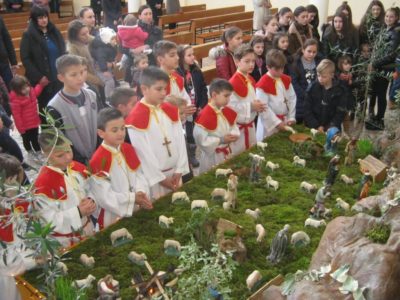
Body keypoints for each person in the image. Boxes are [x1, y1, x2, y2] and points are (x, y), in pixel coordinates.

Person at [126, 66, 189, 200]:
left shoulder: (170, 110)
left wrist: (180, 169)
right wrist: (161, 179)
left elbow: (180, 140)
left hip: (175, 174)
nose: (163, 93)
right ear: (144, 89)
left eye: (165, 88)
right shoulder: (135, 118)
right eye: (158, 89)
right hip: (155, 180)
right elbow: (143, 154)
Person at [89, 108, 152, 230]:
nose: (121, 133)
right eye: (115, 130)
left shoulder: (127, 148)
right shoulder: (98, 160)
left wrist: (140, 191)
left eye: (123, 128)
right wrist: (133, 198)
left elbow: (139, 174)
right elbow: (105, 197)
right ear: (101, 133)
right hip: (113, 215)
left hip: (136, 206)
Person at [34, 128, 97, 247]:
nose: (68, 157)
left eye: (69, 150)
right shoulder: (43, 184)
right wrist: (78, 212)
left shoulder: (77, 167)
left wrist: (91, 201)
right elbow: (49, 220)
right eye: (60, 155)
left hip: (88, 228)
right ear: (46, 155)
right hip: (66, 241)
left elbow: (90, 189)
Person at [47, 54, 98, 165]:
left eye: (81, 72)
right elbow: (61, 140)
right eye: (73, 75)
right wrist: (80, 161)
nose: (80, 78)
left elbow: (101, 123)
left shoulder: (92, 95)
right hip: (76, 161)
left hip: (98, 154)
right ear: (61, 78)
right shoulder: (54, 107)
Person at [20, 6, 65, 122]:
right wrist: (39, 77)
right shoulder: (28, 35)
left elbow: (63, 50)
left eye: (45, 17)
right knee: (46, 109)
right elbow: (26, 59)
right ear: (34, 19)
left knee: (60, 107)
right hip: (43, 80)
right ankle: (48, 135)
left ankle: (62, 132)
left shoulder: (54, 31)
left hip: (58, 77)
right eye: (40, 18)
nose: (44, 20)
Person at [194, 78, 239, 174]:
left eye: (229, 96)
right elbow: (201, 140)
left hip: (227, 151)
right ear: (214, 95)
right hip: (213, 156)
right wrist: (221, 140)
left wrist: (234, 135)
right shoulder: (205, 115)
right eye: (226, 96)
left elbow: (233, 126)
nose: (228, 99)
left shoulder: (226, 110)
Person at [367, 7, 400, 130]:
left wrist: (374, 64)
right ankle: (375, 118)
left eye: (391, 16)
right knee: (375, 92)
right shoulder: (386, 29)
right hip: (378, 67)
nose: (388, 18)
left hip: (385, 69)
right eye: (387, 16)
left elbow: (391, 54)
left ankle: (380, 120)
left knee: (381, 94)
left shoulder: (395, 33)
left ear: (396, 18)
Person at [229, 45, 266, 154]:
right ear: (237, 61)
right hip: (238, 130)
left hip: (250, 127)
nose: (251, 64)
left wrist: (257, 105)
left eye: (253, 61)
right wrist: (251, 107)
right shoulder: (232, 83)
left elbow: (250, 99)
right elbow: (230, 108)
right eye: (247, 61)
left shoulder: (250, 79)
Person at [177, 44, 208, 167]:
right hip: (186, 109)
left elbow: (203, 88)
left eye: (193, 54)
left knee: (195, 131)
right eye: (189, 55)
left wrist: (202, 105)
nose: (193, 57)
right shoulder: (178, 74)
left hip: (196, 106)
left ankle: (193, 152)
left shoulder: (196, 70)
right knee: (188, 132)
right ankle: (190, 155)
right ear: (181, 57)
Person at [256, 49, 297, 139]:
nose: (280, 72)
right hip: (269, 126)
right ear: (268, 67)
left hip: (285, 120)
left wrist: (291, 117)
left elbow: (292, 98)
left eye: (282, 68)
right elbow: (263, 108)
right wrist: (277, 123)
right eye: (277, 69)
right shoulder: (263, 84)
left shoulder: (285, 79)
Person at [303, 59, 348, 132]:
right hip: (313, 128)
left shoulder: (340, 91)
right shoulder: (312, 88)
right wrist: (316, 126)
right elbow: (307, 110)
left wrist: (331, 126)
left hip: (332, 129)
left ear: (332, 75)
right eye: (318, 75)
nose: (320, 79)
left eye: (324, 77)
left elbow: (340, 112)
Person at [67, 20, 104, 100]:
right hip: (86, 83)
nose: (87, 36)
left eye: (87, 32)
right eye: (83, 34)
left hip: (95, 76)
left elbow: (95, 40)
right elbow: (79, 72)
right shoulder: (73, 49)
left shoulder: (85, 39)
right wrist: (98, 81)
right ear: (75, 36)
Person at [9, 75, 45, 155]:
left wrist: (40, 85)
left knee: (35, 138)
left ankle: (38, 151)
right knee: (26, 140)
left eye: (27, 86)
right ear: (17, 91)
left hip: (34, 122)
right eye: (23, 89)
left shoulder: (31, 91)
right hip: (25, 126)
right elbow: (16, 116)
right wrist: (21, 129)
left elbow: (36, 91)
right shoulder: (15, 101)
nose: (26, 89)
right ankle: (29, 151)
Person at [290, 38, 321, 123]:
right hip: (300, 100)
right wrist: (306, 95)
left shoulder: (319, 62)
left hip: (315, 100)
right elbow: (294, 83)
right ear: (303, 50)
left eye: (314, 52)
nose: (311, 54)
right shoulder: (296, 63)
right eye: (309, 51)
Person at [90, 27, 118, 103]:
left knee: (112, 81)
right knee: (109, 81)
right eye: (112, 39)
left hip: (105, 65)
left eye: (114, 38)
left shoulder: (107, 45)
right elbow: (101, 59)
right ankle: (108, 98)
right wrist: (105, 70)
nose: (114, 40)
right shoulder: (101, 49)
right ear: (106, 39)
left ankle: (112, 94)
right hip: (100, 68)